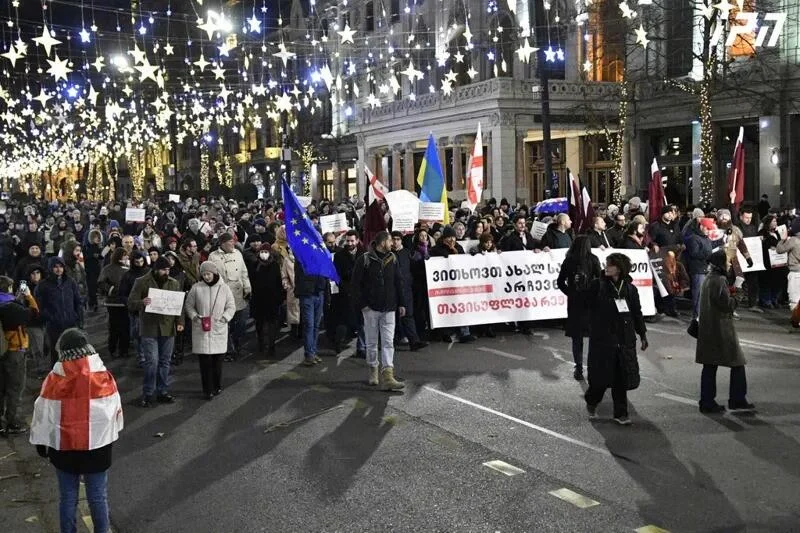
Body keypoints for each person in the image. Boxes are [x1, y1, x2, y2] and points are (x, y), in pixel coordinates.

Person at [30, 328, 123, 533]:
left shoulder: (54, 379)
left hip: (64, 448)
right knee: (98, 496)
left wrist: (41, 441)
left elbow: (42, 411)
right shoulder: (103, 376)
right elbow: (113, 409)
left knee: (68, 497)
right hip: (97, 446)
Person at [583, 253, 648, 425]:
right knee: (601, 377)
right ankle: (592, 400)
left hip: (624, 338)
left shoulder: (630, 288)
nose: (606, 267)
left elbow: (637, 312)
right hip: (603, 339)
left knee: (621, 376)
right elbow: (586, 304)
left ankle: (621, 413)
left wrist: (642, 334)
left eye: (609, 265)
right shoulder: (598, 285)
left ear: (619, 267)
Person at [695, 250, 754, 413]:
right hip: (721, 329)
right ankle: (737, 399)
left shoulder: (709, 278)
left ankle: (706, 401)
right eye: (727, 262)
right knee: (738, 363)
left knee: (710, 366)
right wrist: (739, 290)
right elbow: (727, 304)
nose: (729, 265)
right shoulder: (719, 280)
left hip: (708, 328)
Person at [351, 231, 406, 391]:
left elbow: (398, 281)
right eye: (390, 241)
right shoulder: (365, 259)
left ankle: (388, 375)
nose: (393, 244)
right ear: (383, 243)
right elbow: (356, 285)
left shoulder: (393, 258)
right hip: (371, 309)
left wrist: (401, 303)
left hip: (389, 308)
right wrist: (363, 305)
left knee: (389, 342)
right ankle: (373, 369)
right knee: (372, 342)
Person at [128, 257, 185, 407]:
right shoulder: (141, 282)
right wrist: (142, 302)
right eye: (164, 270)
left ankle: (162, 391)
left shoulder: (174, 283)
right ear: (156, 269)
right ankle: (148, 392)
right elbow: (130, 303)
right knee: (151, 362)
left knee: (165, 361)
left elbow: (179, 305)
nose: (167, 272)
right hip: (149, 327)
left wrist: (180, 322)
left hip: (168, 327)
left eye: (168, 270)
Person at [184, 261, 236, 400]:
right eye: (204, 274)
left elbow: (231, 306)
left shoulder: (224, 288)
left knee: (217, 362)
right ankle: (207, 390)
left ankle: (217, 385)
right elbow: (189, 305)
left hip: (218, 328)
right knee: (205, 363)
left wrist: (225, 318)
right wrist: (195, 317)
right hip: (201, 328)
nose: (206, 277)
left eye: (209, 274)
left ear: (215, 273)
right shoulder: (196, 288)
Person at [557, 236, 602, 381]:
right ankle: (592, 366)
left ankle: (578, 366)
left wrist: (570, 292)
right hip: (589, 302)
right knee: (592, 337)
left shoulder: (569, 260)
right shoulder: (593, 259)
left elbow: (560, 281)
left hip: (575, 302)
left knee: (577, 338)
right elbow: (600, 279)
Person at [0, 276, 40, 434]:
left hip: (1, 351)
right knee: (15, 388)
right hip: (14, 351)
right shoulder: (11, 307)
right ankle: (13, 422)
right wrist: (29, 296)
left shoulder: (7, 304)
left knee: (1, 387)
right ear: (8, 288)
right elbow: (34, 313)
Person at [208, 233, 252, 360]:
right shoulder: (213, 256)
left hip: (239, 294)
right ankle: (229, 350)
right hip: (222, 294)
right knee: (225, 324)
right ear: (222, 243)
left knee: (241, 323)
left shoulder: (238, 253)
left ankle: (236, 342)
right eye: (230, 242)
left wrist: (247, 287)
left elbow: (244, 272)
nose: (233, 243)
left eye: (233, 241)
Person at [34, 257, 83, 366]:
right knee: (56, 353)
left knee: (72, 352)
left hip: (71, 323)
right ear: (50, 268)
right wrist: (51, 317)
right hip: (54, 325)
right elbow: (39, 306)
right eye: (55, 267)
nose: (58, 269)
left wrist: (78, 317)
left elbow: (78, 301)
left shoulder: (70, 282)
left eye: (60, 266)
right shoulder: (43, 285)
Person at [391, 231, 427, 351]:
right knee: (392, 317)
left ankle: (414, 341)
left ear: (401, 240)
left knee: (408, 315)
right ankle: (393, 342)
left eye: (398, 239)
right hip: (392, 290)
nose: (395, 242)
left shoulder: (408, 253)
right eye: (393, 239)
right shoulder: (388, 254)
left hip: (406, 289)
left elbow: (418, 264)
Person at [332, 230, 366, 356]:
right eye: (348, 241)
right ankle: (339, 342)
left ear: (357, 240)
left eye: (352, 240)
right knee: (344, 320)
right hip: (345, 293)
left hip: (360, 293)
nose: (350, 243)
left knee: (362, 322)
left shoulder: (364, 254)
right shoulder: (339, 256)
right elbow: (336, 275)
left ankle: (361, 348)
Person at [250, 244, 284, 358]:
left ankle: (271, 346)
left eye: (266, 251)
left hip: (272, 300)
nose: (263, 254)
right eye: (262, 251)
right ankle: (261, 344)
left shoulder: (274, 265)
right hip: (258, 299)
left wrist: (280, 297)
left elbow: (278, 282)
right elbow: (251, 281)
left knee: (272, 324)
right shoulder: (255, 265)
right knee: (259, 324)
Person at [97, 248, 130, 358]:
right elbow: (101, 283)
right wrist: (111, 289)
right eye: (124, 255)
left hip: (125, 302)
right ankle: (113, 348)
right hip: (113, 302)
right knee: (114, 326)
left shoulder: (128, 269)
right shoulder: (108, 269)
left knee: (125, 326)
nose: (126, 258)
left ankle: (124, 349)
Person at [684, 218, 716, 319]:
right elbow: (694, 253)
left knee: (703, 294)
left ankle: (701, 314)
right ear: (701, 226)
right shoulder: (694, 238)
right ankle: (696, 316)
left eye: (710, 229)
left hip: (705, 268)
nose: (708, 230)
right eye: (707, 228)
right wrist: (709, 255)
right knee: (698, 294)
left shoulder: (706, 238)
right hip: (697, 269)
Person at [776, 228, 800, 311]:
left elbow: (780, 250)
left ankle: (796, 321)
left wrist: (782, 240)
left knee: (794, 300)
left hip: (796, 273)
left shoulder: (794, 240)